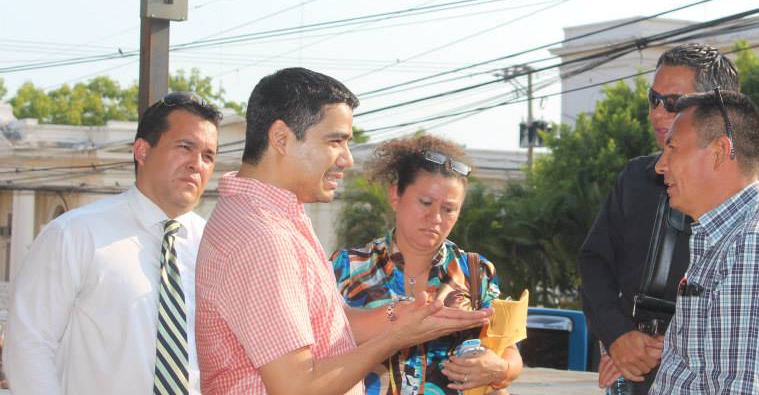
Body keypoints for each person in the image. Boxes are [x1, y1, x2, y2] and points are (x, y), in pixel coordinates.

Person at [195, 68, 489, 395]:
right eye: (336, 141)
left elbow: (318, 327)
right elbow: (298, 388)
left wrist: (398, 317)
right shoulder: (262, 237)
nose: (347, 159)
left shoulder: (273, 218)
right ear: (281, 138)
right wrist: (397, 338)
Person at [578, 44, 759, 393]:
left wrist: (665, 344)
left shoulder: (749, 191)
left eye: (673, 103)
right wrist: (616, 337)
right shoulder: (635, 178)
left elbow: (747, 320)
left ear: (716, 111)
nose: (658, 113)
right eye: (653, 99)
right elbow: (594, 263)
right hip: (635, 373)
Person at [4, 91, 222, 395]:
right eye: (185, 147)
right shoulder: (75, 234)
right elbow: (28, 345)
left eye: (208, 156)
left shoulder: (216, 247)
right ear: (142, 151)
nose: (197, 164)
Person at [649, 90, 759, 393]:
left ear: (719, 151)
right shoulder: (730, 241)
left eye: (673, 148)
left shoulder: (754, 247)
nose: (660, 166)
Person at [332, 134, 523, 395]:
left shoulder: (476, 272)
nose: (435, 217)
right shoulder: (347, 268)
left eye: (449, 209)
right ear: (395, 195)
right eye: (425, 203)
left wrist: (499, 369)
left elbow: (510, 351)